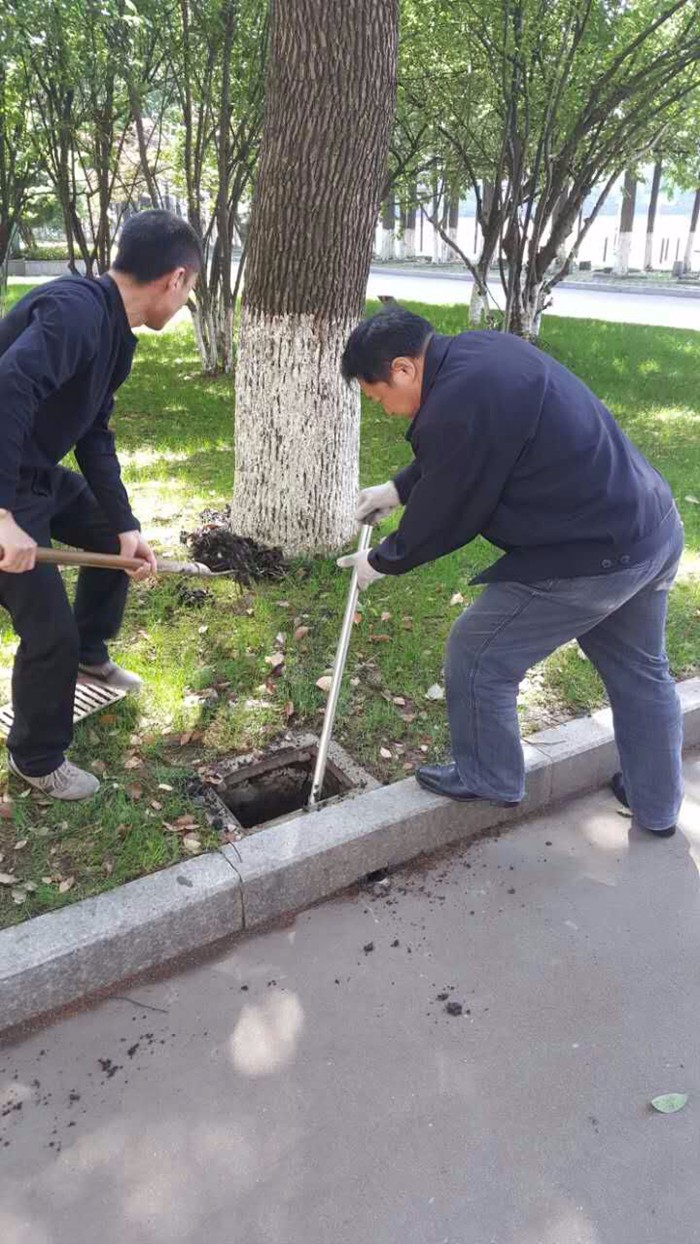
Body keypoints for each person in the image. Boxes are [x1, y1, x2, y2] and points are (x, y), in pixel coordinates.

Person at [337, 308, 684, 837]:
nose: (385, 409)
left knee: (478, 652)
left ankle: (490, 776)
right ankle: (657, 807)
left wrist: (381, 561)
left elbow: (452, 509)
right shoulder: (480, 353)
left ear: (404, 368)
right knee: (641, 673)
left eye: (378, 394)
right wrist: (399, 489)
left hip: (593, 555)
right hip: (649, 526)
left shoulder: (457, 400)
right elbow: (468, 450)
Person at [0, 210, 202, 800]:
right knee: (48, 630)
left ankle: (91, 655)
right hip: (6, 484)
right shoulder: (76, 312)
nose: (186, 302)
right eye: (190, 291)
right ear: (176, 278)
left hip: (32, 472)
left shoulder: (116, 336)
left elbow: (94, 432)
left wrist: (124, 524)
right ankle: (37, 758)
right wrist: (3, 514)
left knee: (102, 532)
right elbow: (8, 386)